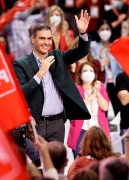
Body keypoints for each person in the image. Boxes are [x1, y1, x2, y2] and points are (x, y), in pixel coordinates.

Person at [13, 10, 91, 142]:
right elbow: (21, 93)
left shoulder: (58, 57)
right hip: (36, 125)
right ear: (33, 39)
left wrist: (82, 33)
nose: (46, 42)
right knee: (38, 162)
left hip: (58, 123)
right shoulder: (20, 64)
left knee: (57, 162)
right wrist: (40, 73)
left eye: (49, 39)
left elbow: (81, 51)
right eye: (42, 38)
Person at [67, 62, 111, 158]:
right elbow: (77, 106)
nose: (88, 73)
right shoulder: (76, 88)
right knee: (80, 160)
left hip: (98, 130)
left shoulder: (101, 88)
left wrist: (98, 93)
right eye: (85, 70)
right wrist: (92, 95)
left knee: (100, 160)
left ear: (95, 74)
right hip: (81, 130)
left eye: (91, 71)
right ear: (80, 74)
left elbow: (105, 107)